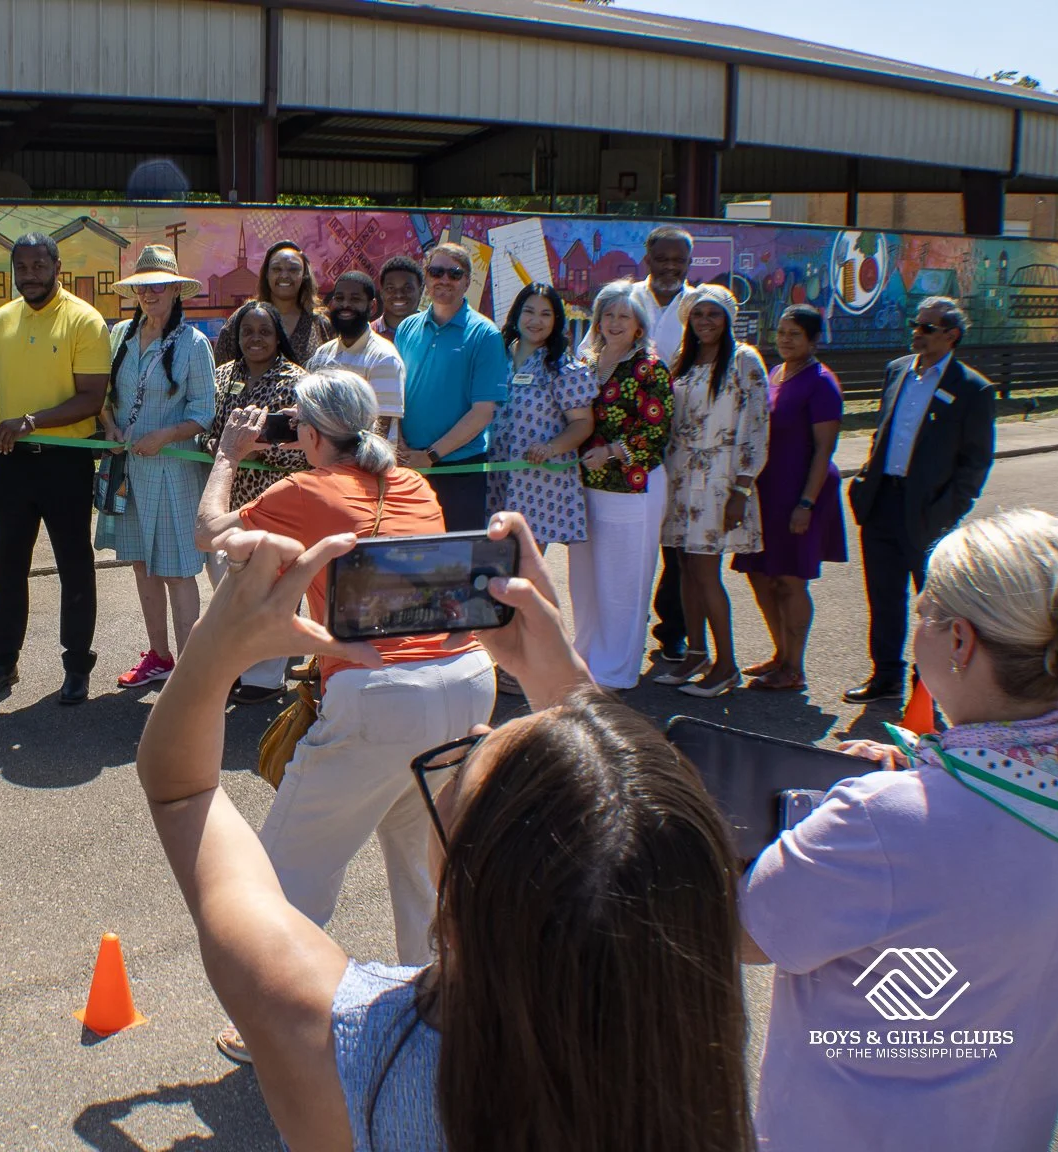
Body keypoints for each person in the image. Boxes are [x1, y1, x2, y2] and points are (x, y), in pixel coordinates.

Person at [137, 510, 751, 1149]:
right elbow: (650, 844)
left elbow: (185, 795)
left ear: (453, 889)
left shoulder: (339, 1041)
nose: (479, 731)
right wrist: (565, 683)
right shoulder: (698, 1042)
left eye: (461, 767)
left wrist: (214, 644)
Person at [743, 508, 1058, 1152]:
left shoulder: (878, 820)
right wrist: (914, 769)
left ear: (960, 641)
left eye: (925, 611)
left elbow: (741, 934)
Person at [196, 369, 494, 977]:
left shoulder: (305, 490)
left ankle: (278, 1019)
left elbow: (210, 533)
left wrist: (229, 455)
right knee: (423, 862)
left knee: (282, 874)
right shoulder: (413, 483)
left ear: (306, 432)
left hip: (379, 694)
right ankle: (437, 999)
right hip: (463, 682)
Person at [0, 234, 111, 705]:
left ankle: (77, 666)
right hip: (13, 464)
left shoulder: (85, 319)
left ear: (56, 265)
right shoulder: (0, 321)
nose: (30, 274)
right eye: (21, 266)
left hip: (66, 461)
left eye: (39, 264)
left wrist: (31, 422)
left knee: (74, 567)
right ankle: (2, 663)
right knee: (8, 566)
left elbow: (91, 398)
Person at [842, 295, 997, 703]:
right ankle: (885, 676)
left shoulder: (972, 389)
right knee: (884, 597)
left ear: (951, 335)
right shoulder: (897, 371)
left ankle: (927, 688)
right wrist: (862, 481)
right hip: (882, 502)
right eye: (916, 324)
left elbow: (976, 463)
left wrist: (948, 512)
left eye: (927, 328)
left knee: (936, 609)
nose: (917, 333)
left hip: (928, 511)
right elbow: (883, 432)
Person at [97, 245, 215, 689]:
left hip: (174, 473)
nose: (150, 292)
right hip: (128, 470)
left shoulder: (193, 343)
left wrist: (163, 436)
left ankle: (190, 668)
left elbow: (204, 411)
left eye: (158, 284)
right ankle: (159, 656)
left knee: (178, 570)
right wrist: (109, 427)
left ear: (175, 289)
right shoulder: (120, 338)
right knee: (142, 566)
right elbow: (104, 397)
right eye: (143, 285)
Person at [652, 284, 769, 699]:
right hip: (682, 477)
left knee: (705, 571)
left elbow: (755, 425)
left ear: (728, 319)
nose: (705, 322)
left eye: (713, 314)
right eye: (698, 315)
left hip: (720, 480)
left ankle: (727, 665)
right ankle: (697, 652)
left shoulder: (743, 360)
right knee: (684, 565)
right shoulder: (681, 361)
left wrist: (742, 486)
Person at [733, 304, 848, 691]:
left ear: (814, 340)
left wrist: (806, 504)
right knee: (760, 576)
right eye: (781, 332)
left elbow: (823, 450)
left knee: (790, 579)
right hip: (767, 491)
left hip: (801, 492)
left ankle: (795, 668)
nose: (785, 339)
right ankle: (779, 654)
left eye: (794, 334)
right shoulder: (776, 373)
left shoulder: (821, 382)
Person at [565, 279, 673, 690]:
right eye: (607, 315)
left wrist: (611, 452)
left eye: (622, 316)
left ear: (638, 326)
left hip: (632, 488)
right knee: (586, 581)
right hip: (587, 487)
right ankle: (587, 660)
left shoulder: (649, 367)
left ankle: (615, 670)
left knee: (623, 583)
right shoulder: (587, 361)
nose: (613, 322)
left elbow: (657, 431)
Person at [204, 301, 309, 705]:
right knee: (231, 589)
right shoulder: (223, 375)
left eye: (265, 331)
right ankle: (239, 666)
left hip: (274, 500)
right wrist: (214, 444)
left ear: (278, 336)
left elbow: (303, 448)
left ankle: (265, 678)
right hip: (227, 499)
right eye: (248, 331)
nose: (255, 339)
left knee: (273, 588)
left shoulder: (296, 381)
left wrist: (256, 452)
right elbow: (206, 427)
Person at [392, 243, 508, 531]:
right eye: (436, 271)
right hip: (408, 464)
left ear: (468, 281)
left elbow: (483, 412)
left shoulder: (486, 334)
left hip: (459, 470)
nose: (444, 279)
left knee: (454, 561)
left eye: (454, 274)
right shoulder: (407, 328)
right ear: (426, 277)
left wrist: (430, 455)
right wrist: (400, 445)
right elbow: (394, 394)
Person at [630, 226, 697, 665]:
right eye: (663, 258)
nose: (671, 267)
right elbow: (590, 353)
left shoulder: (701, 304)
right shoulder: (624, 298)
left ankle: (672, 630)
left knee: (677, 547)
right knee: (629, 543)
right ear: (648, 259)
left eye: (680, 260)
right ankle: (624, 631)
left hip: (685, 445)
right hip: (627, 443)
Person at [486, 281, 595, 549]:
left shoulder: (563, 368)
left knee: (525, 567)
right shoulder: (495, 357)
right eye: (529, 311)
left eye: (546, 314)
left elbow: (583, 423)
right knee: (494, 564)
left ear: (557, 320)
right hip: (495, 478)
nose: (536, 321)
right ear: (516, 315)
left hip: (537, 485)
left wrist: (550, 448)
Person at [307, 270, 404, 429]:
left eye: (355, 299)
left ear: (372, 307)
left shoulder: (384, 358)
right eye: (339, 298)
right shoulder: (323, 353)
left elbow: (381, 430)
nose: (345, 305)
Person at [211, 240, 332, 366]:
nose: (284, 275)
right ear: (267, 274)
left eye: (293, 269)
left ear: (304, 275)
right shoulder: (243, 319)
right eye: (276, 269)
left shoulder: (320, 324)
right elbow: (220, 371)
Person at [374, 254, 424, 337]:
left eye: (408, 288)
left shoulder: (434, 333)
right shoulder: (367, 335)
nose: (399, 294)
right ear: (382, 293)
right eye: (390, 288)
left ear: (420, 291)